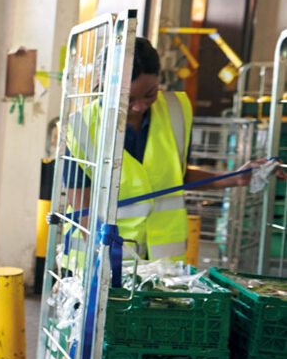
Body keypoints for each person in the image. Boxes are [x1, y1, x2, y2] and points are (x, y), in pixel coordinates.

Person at [68, 36, 272, 261]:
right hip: (101, 262)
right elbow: (82, 209)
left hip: (162, 263)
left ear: (158, 80)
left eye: (150, 94)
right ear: (106, 85)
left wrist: (235, 178)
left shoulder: (176, 111)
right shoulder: (81, 127)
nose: (139, 107)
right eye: (127, 98)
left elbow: (176, 176)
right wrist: (105, 261)